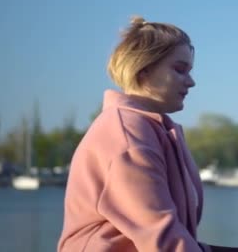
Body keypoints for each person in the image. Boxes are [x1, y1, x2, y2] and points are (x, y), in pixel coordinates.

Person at [58, 16, 211, 251]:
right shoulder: (127, 134)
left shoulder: (153, 129)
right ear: (144, 70)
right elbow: (162, 237)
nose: (191, 82)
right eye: (180, 70)